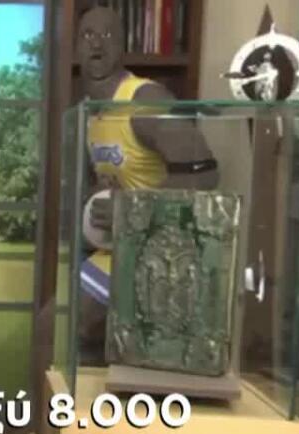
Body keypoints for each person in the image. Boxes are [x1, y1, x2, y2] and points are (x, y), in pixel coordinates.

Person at [73, 6, 218, 362]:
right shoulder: (91, 111)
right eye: (88, 35)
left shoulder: (145, 99)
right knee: (82, 344)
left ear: (123, 45)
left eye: (107, 35)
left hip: (162, 251)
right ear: (76, 47)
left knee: (56, 328)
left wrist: (131, 210)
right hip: (120, 247)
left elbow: (205, 174)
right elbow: (117, 180)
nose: (97, 43)